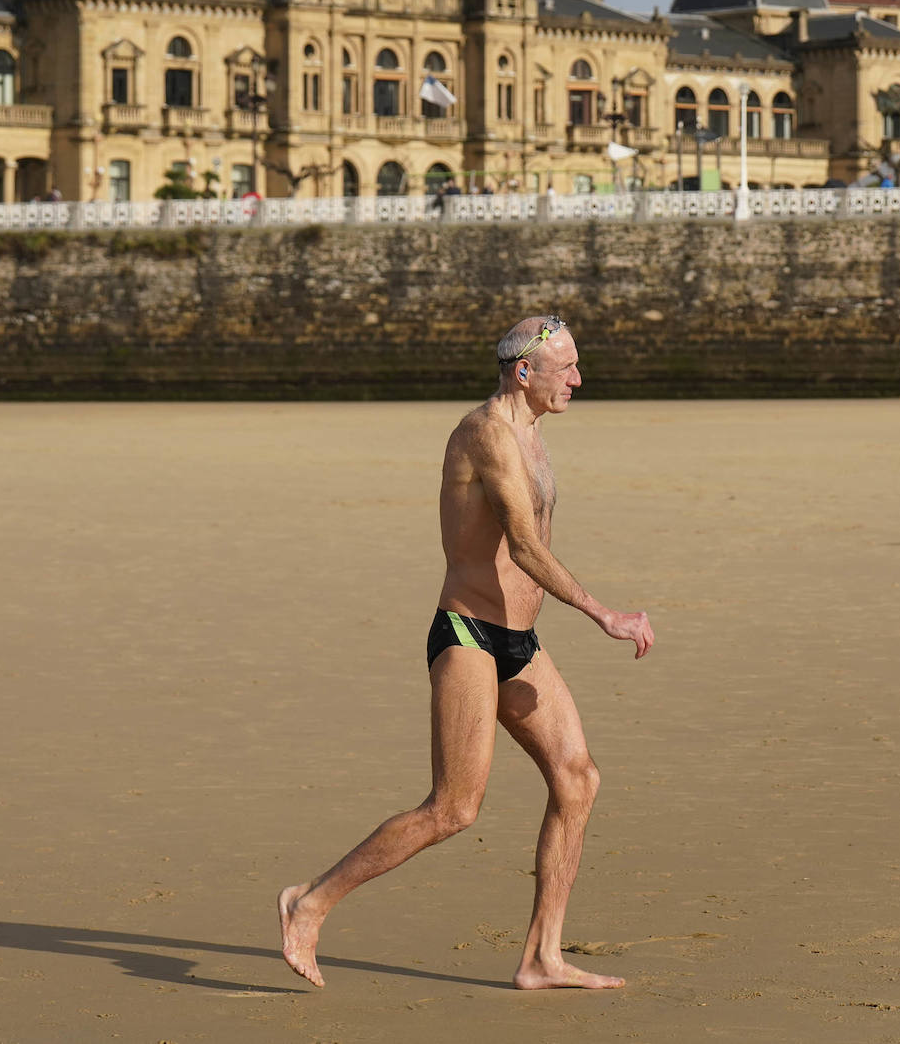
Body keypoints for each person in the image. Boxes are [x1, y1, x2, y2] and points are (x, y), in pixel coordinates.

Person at [278, 315, 654, 990]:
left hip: (520, 641)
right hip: (469, 636)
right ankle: (310, 902)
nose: (577, 379)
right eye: (564, 368)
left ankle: (542, 957)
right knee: (453, 809)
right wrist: (603, 612)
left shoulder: (533, 432)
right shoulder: (486, 435)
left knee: (578, 778)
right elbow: (524, 546)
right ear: (522, 373)